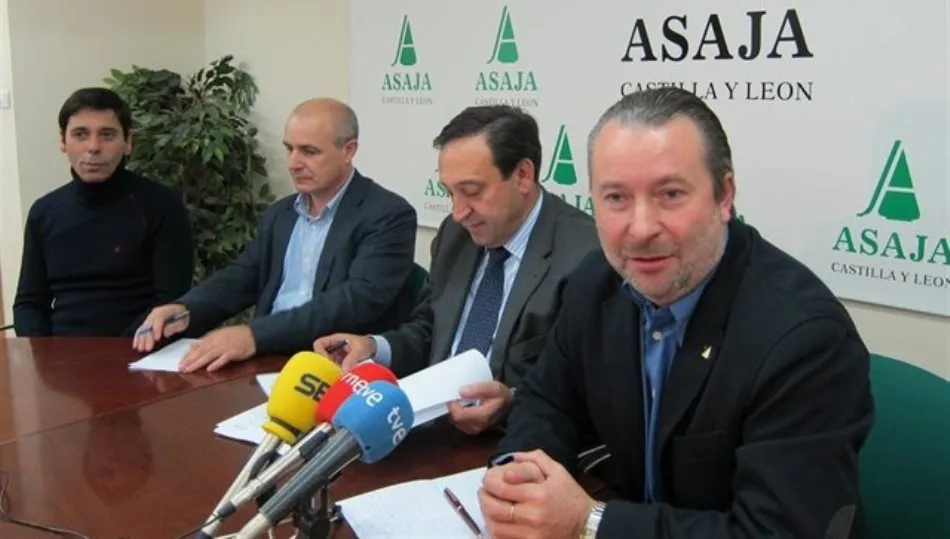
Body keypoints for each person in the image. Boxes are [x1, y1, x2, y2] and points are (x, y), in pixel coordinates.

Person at [477, 88, 875, 539]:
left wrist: (589, 522)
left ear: (724, 196)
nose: (641, 228)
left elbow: (779, 532)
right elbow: (549, 400)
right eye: (616, 198)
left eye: (669, 194)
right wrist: (515, 477)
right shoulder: (595, 283)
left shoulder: (804, 341)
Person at [314, 105, 599, 435]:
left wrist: (512, 401)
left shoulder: (584, 256)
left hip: (519, 442)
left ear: (522, 175)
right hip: (431, 429)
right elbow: (430, 329)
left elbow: (586, 389)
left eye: (472, 192)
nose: (459, 212)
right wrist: (373, 347)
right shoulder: (455, 235)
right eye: (450, 193)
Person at [132, 98, 418, 373]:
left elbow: (356, 302)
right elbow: (243, 276)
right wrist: (186, 309)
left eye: (309, 151)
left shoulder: (387, 214)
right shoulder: (280, 214)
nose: (293, 163)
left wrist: (254, 335)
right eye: (289, 149)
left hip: (331, 366)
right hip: (267, 362)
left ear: (349, 150)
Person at [13, 87, 194, 337]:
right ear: (63, 142)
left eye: (107, 135)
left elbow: (170, 302)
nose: (93, 147)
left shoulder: (162, 205)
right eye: (80, 134)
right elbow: (30, 303)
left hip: (139, 352)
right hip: (61, 357)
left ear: (128, 141)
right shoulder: (44, 212)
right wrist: (42, 356)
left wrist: (114, 356)